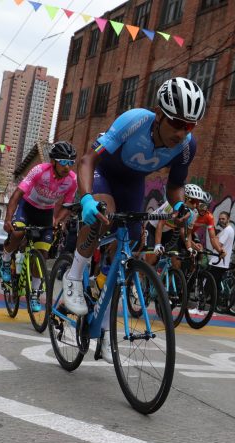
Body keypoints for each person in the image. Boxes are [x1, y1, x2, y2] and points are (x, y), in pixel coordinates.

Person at [62, 77, 206, 363]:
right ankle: (74, 275)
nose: (182, 132)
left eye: (189, 126)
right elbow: (88, 160)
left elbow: (175, 186)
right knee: (104, 212)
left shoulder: (187, 146)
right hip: (104, 173)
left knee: (124, 254)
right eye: (177, 123)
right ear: (160, 115)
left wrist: (179, 205)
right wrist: (88, 197)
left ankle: (103, 321)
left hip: (133, 184)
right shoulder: (136, 121)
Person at [0, 141, 78, 312]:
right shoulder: (40, 170)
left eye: (71, 163)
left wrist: (57, 220)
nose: (67, 167)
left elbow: (68, 204)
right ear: (54, 162)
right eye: (63, 162)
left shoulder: (72, 180)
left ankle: (34, 293)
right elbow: (17, 194)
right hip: (27, 208)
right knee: (18, 233)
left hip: (46, 214)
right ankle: (6, 260)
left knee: (42, 253)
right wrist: (7, 219)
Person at [145, 182, 202, 267]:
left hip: (169, 231)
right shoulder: (172, 204)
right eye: (193, 201)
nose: (195, 205)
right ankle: (141, 275)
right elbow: (160, 224)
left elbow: (186, 232)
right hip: (153, 228)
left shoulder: (194, 213)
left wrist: (189, 247)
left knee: (176, 261)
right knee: (151, 260)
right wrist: (157, 245)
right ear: (185, 198)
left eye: (198, 202)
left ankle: (170, 278)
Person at [189, 190, 226, 260]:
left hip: (190, 233)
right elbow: (184, 232)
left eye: (206, 206)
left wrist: (220, 250)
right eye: (202, 205)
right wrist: (192, 244)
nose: (203, 209)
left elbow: (212, 238)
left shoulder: (209, 217)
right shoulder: (191, 212)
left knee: (200, 252)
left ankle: (192, 269)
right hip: (181, 232)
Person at [207, 211, 235, 285]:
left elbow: (218, 246)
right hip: (220, 262)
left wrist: (214, 237)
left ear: (228, 219)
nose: (221, 220)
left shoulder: (227, 230)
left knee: (210, 286)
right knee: (216, 286)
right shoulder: (229, 230)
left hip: (218, 262)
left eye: (223, 219)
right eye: (220, 219)